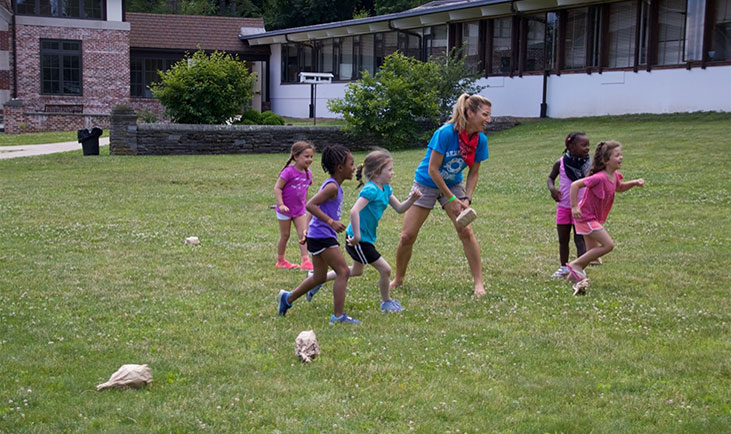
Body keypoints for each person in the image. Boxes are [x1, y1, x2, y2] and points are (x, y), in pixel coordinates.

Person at [389, 93, 492, 296]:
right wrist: (452, 199)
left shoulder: (480, 140)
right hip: (426, 183)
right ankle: (399, 278)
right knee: (407, 235)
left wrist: (465, 198)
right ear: (470, 113)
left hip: (453, 183)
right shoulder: (445, 133)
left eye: (489, 115)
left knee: (466, 231)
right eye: (485, 115)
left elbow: (474, 172)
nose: (488, 120)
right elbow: (433, 170)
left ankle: (478, 283)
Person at [306, 149, 423, 311]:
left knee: (355, 271)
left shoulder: (386, 189)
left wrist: (412, 199)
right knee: (385, 269)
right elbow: (354, 211)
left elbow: (400, 209)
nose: (392, 173)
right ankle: (386, 302)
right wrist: (357, 236)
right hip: (358, 240)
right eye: (389, 170)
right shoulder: (371, 190)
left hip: (364, 238)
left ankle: (316, 278)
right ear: (376, 172)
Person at [277, 145, 361, 324]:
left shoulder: (333, 185)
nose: (353, 168)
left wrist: (307, 228)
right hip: (323, 235)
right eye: (351, 164)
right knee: (343, 271)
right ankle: (338, 316)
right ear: (340, 168)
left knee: (319, 277)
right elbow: (311, 205)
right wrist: (331, 222)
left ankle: (288, 298)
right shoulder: (332, 187)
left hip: (318, 235)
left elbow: (315, 207)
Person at [566, 140, 645, 295]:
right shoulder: (599, 177)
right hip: (586, 217)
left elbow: (619, 188)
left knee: (593, 252)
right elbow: (575, 185)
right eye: (617, 155)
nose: (621, 158)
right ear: (605, 160)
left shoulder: (613, 176)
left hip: (592, 217)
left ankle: (571, 278)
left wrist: (634, 183)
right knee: (608, 245)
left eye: (620, 154)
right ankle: (575, 265)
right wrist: (574, 206)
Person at [546, 132, 590, 279]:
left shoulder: (589, 165)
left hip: (581, 208)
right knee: (563, 240)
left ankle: (580, 268)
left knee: (580, 240)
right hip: (564, 207)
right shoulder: (561, 163)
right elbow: (550, 178)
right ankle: (564, 267)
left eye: (588, 145)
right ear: (571, 147)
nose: (587, 148)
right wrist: (552, 189)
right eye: (583, 145)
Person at [274, 141, 315, 270]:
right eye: (306, 156)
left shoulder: (309, 174)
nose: (309, 159)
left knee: (304, 234)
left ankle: (306, 261)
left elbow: (305, 191)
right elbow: (277, 188)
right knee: (285, 235)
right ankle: (280, 260)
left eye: (311, 157)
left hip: (299, 210)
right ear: (296, 157)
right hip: (284, 210)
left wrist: (304, 205)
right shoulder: (288, 172)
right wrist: (281, 204)